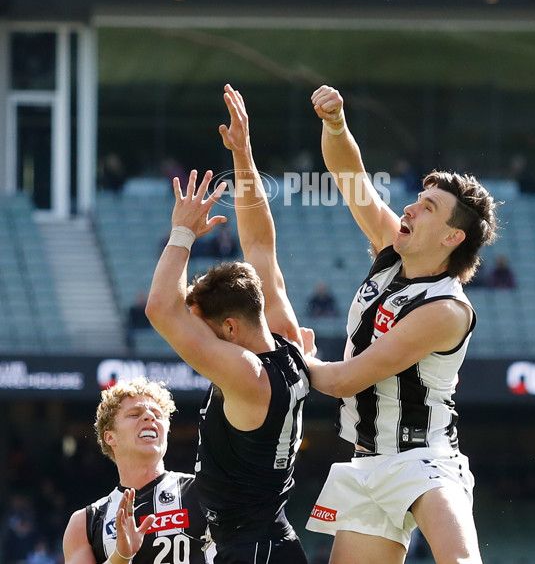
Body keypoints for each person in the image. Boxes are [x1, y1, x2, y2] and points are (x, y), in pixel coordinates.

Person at [303, 85, 499, 564]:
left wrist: (284, 360)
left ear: (453, 237)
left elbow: (348, 378)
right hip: (368, 460)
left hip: (425, 461)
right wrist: (336, 125)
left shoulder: (445, 310)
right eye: (418, 198)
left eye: (428, 207)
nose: (410, 208)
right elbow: (351, 177)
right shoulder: (393, 253)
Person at [145, 84, 311, 564]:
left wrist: (182, 232)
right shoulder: (289, 343)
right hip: (266, 538)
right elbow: (260, 245)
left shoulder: (246, 374)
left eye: (210, 330)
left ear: (232, 328)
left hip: (249, 548)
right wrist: (243, 154)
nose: (204, 341)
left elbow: (161, 309)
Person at [62, 377, 211, 564]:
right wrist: (121, 556)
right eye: (134, 414)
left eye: (157, 414)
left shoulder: (207, 490)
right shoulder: (84, 523)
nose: (149, 417)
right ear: (110, 437)